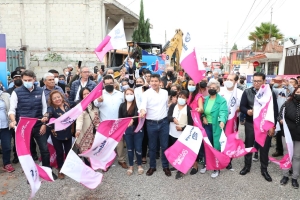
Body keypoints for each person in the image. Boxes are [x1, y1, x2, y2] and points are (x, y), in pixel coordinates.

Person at [8, 70, 56, 179]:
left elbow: (45, 109)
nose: (27, 82)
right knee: (27, 152)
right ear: (22, 79)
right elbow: (12, 110)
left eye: (29, 80)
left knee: (44, 149)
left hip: (39, 125)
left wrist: (45, 122)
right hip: (24, 127)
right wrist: (13, 120)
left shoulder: (40, 91)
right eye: (25, 80)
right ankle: (31, 175)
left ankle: (47, 171)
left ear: (34, 79)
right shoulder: (17, 92)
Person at [239, 72, 278, 182]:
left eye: (259, 81)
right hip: (251, 123)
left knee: (265, 148)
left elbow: (275, 110)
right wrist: (247, 111)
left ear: (264, 81)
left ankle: (264, 170)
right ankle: (247, 166)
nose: (256, 83)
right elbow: (242, 106)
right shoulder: (247, 92)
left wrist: (273, 126)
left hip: (265, 124)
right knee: (248, 145)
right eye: (254, 81)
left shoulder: (270, 93)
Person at [140, 74, 171, 177]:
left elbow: (167, 106)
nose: (154, 83)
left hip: (164, 123)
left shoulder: (165, 93)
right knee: (152, 147)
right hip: (151, 123)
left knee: (165, 146)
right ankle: (152, 166)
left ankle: (165, 166)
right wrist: (142, 111)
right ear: (150, 82)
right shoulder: (146, 94)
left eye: (156, 81)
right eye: (152, 81)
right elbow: (142, 106)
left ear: (159, 82)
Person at [94, 75, 127, 169]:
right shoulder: (100, 94)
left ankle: (121, 160)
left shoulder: (120, 94)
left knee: (119, 142)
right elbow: (96, 104)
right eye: (107, 83)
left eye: (111, 83)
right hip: (105, 123)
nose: (109, 85)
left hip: (118, 123)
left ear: (114, 83)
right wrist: (99, 101)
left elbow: (124, 106)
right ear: (103, 84)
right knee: (106, 143)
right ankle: (106, 162)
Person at [201, 79, 228, 178]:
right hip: (207, 125)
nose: (212, 89)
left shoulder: (221, 100)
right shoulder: (206, 99)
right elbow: (203, 111)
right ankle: (206, 164)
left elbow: (223, 112)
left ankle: (216, 168)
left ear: (218, 89)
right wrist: (203, 117)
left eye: (214, 88)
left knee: (216, 147)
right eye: (210, 87)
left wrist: (222, 121)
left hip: (216, 126)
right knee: (207, 145)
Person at [219, 74, 243, 169]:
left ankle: (228, 159)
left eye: (231, 79)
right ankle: (220, 157)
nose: (228, 81)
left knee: (231, 139)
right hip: (220, 119)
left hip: (233, 120)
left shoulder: (240, 93)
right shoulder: (220, 91)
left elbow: (243, 106)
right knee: (220, 138)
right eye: (227, 79)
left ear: (236, 81)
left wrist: (237, 109)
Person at [278, 87, 300, 189]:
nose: (299, 94)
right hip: (287, 134)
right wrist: (281, 120)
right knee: (287, 154)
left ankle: (295, 178)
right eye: (298, 92)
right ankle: (285, 175)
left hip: (299, 135)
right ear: (294, 92)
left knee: (297, 156)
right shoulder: (287, 103)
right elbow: (279, 115)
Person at [168, 90, 193, 179]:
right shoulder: (173, 106)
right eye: (180, 97)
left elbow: (190, 124)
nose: (181, 99)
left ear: (187, 99)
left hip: (182, 135)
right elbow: (168, 116)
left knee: (182, 152)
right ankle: (176, 165)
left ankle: (181, 170)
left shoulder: (188, 109)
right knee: (175, 150)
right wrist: (173, 119)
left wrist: (182, 128)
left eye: (183, 97)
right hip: (172, 133)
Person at [47, 91, 72, 179]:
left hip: (68, 133)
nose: (57, 99)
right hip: (57, 134)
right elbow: (48, 114)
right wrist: (45, 117)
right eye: (54, 98)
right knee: (60, 152)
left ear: (61, 97)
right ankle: (60, 168)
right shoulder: (51, 108)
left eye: (58, 97)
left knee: (68, 151)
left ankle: (68, 167)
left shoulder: (67, 105)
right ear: (51, 100)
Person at [119, 88, 144, 175]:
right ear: (125, 95)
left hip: (137, 129)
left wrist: (133, 120)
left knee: (138, 148)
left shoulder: (138, 105)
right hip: (127, 130)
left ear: (134, 95)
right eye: (127, 94)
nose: (129, 95)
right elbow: (120, 119)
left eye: (131, 94)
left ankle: (140, 165)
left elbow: (139, 116)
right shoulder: (122, 105)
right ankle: (131, 166)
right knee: (129, 149)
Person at [270, 76, 295, 158]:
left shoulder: (295, 93)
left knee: (289, 134)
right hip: (280, 116)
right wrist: (272, 84)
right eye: (288, 81)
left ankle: (290, 150)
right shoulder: (281, 90)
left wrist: (289, 85)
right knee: (279, 133)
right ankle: (279, 150)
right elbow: (272, 90)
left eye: (292, 82)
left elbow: (293, 91)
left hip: (290, 117)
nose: (288, 83)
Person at [75, 87, 100, 166]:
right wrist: (78, 130)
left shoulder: (95, 104)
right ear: (81, 96)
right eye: (84, 94)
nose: (86, 95)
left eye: (88, 93)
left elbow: (97, 118)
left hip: (94, 132)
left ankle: (94, 165)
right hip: (83, 132)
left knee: (94, 149)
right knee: (85, 151)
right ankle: (88, 167)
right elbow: (79, 119)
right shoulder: (80, 106)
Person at [186, 79, 204, 175]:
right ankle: (188, 162)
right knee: (187, 143)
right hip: (185, 122)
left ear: (196, 86)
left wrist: (199, 109)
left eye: (193, 84)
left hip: (195, 122)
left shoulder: (198, 96)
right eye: (190, 84)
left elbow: (201, 108)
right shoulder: (185, 95)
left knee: (194, 145)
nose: (191, 86)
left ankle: (195, 164)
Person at [6, 70, 23, 164]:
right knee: (16, 138)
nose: (17, 79)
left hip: (24, 118)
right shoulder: (8, 92)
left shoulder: (27, 90)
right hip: (14, 119)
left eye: (19, 77)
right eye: (15, 78)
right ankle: (17, 155)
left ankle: (32, 153)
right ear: (13, 80)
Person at [134, 77, 149, 164]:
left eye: (141, 82)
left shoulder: (148, 92)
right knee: (137, 138)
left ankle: (143, 156)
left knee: (145, 138)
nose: (139, 83)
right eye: (137, 82)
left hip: (146, 118)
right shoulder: (134, 92)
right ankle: (138, 155)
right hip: (137, 117)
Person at [0, 90, 14, 172]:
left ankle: (7, 164)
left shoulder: (6, 95)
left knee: (7, 147)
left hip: (5, 126)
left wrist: (12, 121)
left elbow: (11, 109)